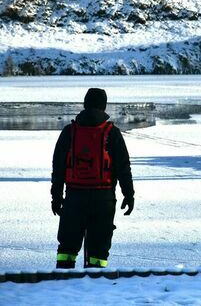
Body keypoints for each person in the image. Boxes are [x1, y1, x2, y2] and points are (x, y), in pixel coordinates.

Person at [51, 88, 135, 268]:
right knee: (98, 254)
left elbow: (58, 168)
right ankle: (96, 288)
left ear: (85, 104)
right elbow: (123, 168)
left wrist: (56, 197)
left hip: (74, 197)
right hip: (103, 198)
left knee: (67, 250)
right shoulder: (112, 132)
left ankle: (63, 287)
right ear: (104, 107)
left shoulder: (69, 131)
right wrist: (129, 195)